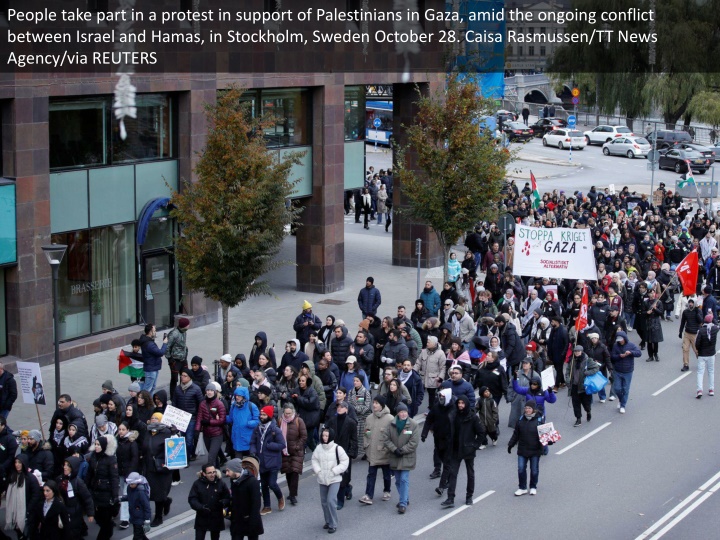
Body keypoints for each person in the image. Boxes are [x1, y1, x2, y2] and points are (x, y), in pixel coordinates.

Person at [440, 395, 485, 508]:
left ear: (466, 404)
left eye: (462, 403)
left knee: (470, 474)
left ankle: (469, 496)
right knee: (453, 474)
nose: (460, 405)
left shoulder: (473, 417)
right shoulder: (454, 415)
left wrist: (474, 445)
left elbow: (481, 433)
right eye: (459, 403)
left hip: (468, 449)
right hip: (455, 449)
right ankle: (450, 498)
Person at [382, 402, 420, 514]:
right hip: (395, 456)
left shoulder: (413, 424)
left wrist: (402, 450)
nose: (403, 414)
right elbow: (386, 439)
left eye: (405, 412)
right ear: (397, 413)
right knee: (398, 481)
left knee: (404, 479)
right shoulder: (391, 424)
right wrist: (394, 449)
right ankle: (405, 498)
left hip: (407, 456)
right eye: (401, 412)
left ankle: (402, 503)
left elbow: (414, 442)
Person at [249, 406, 286, 516]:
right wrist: (253, 452)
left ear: (269, 416)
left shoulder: (275, 430)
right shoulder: (257, 428)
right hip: (261, 461)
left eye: (264, 415)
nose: (262, 417)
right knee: (264, 484)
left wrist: (270, 445)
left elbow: (282, 445)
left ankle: (280, 497)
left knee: (272, 483)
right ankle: (267, 506)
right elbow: (252, 442)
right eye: (261, 415)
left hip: (273, 461)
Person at [311, 427, 349, 534]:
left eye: (327, 435)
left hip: (334, 479)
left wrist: (335, 471)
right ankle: (327, 521)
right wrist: (318, 471)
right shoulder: (319, 448)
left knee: (331, 501)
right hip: (322, 478)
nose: (325, 437)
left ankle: (333, 524)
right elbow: (314, 459)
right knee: (324, 502)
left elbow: (345, 461)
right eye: (323, 435)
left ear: (331, 436)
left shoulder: (338, 448)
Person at [358, 396, 393, 505]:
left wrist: (390, 449)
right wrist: (366, 444)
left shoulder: (390, 419)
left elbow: (393, 436)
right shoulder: (369, 418)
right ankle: (368, 495)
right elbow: (366, 432)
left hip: (384, 452)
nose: (374, 405)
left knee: (386, 475)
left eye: (377, 403)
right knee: (371, 474)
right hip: (372, 452)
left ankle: (387, 491)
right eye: (373, 403)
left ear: (382, 405)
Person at [325, 401, 358, 509]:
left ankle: (340, 500)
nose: (339, 408)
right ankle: (348, 489)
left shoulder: (351, 423)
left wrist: (351, 453)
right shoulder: (332, 421)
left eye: (342, 407)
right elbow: (326, 436)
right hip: (333, 453)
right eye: (338, 407)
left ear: (346, 410)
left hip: (345, 454)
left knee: (344, 477)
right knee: (335, 476)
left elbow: (354, 440)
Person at [507, 400, 544, 496]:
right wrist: (511, 444)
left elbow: (545, 435)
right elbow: (516, 434)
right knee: (521, 468)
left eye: (529, 408)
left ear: (533, 410)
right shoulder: (520, 420)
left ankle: (533, 487)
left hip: (535, 449)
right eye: (526, 408)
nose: (527, 410)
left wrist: (548, 442)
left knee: (534, 469)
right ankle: (522, 487)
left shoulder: (539, 420)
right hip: (522, 449)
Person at [87, 435, 119, 540]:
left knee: (105, 519)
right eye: (95, 444)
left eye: (98, 445)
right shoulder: (93, 457)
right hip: (95, 491)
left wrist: (115, 496)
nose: (96, 446)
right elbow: (90, 473)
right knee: (98, 517)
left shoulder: (110, 459)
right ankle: (108, 528)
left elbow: (114, 478)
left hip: (106, 492)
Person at [143, 416, 173, 527]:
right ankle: (166, 501)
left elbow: (175, 447)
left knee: (159, 493)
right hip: (150, 468)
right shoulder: (148, 432)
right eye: (152, 417)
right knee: (153, 493)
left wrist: (175, 434)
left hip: (162, 468)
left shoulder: (167, 433)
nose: (154, 419)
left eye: (157, 418)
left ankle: (158, 517)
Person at [224, 456, 264, 540]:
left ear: (235, 470)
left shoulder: (252, 482)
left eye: (228, 470)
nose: (226, 474)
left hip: (250, 520)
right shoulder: (234, 480)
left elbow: (256, 504)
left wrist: (253, 522)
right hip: (237, 521)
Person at [188, 464, 231, 540]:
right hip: (202, 516)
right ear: (204, 474)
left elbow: (227, 497)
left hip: (216, 516)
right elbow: (192, 499)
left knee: (215, 537)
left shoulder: (221, 483)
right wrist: (200, 507)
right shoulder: (197, 484)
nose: (212, 475)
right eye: (209, 473)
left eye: (214, 472)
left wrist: (223, 503)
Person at [5, 455, 42, 540]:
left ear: (24, 463)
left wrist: (28, 509)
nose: (17, 464)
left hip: (28, 513)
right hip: (15, 511)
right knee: (19, 534)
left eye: (19, 462)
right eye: (16, 462)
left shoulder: (30, 478)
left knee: (29, 534)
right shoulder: (12, 476)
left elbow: (36, 495)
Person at [57, 456, 94, 539]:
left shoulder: (78, 482)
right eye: (64, 465)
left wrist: (90, 513)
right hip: (63, 512)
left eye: (68, 465)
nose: (65, 467)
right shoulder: (60, 479)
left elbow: (87, 498)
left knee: (74, 534)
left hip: (75, 513)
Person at [279, 404, 307, 506]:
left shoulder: (299, 421)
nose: (287, 415)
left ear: (293, 412)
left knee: (294, 472)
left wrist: (297, 446)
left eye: (289, 413)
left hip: (296, 451)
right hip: (284, 451)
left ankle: (293, 495)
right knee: (288, 472)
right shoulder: (280, 421)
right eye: (286, 413)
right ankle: (291, 492)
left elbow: (303, 436)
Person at [565, 345, 600, 427]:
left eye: (578, 351)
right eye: (575, 351)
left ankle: (588, 411)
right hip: (574, 385)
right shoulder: (572, 360)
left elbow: (596, 368)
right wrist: (567, 379)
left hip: (584, 386)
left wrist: (587, 373)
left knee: (586, 403)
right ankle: (578, 419)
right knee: (575, 403)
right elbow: (568, 371)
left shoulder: (588, 360)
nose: (576, 353)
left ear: (582, 351)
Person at [173, 368, 203, 460]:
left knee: (189, 440)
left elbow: (201, 404)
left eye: (185, 376)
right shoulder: (178, 389)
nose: (182, 377)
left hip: (191, 418)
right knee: (182, 438)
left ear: (190, 378)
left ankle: (188, 456)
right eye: (181, 375)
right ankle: (189, 455)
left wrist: (199, 418)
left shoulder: (196, 389)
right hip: (180, 418)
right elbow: (174, 402)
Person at [196, 382, 227, 467]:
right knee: (214, 457)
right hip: (206, 434)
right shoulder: (202, 404)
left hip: (217, 434)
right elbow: (199, 417)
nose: (209, 392)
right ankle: (216, 474)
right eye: (208, 390)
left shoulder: (219, 404)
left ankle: (210, 474)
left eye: (211, 390)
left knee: (211, 457)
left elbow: (222, 420)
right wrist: (197, 430)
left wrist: (209, 422)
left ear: (215, 392)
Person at [610, 331, 641, 414]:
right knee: (617, 388)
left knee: (625, 389)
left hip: (628, 371)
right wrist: (619, 356)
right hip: (618, 370)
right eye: (618, 340)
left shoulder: (631, 345)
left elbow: (639, 353)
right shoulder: (615, 346)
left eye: (621, 339)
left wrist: (631, 352)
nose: (620, 341)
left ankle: (623, 405)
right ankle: (620, 399)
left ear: (624, 338)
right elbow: (612, 357)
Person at [226, 387, 260, 458]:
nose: (237, 397)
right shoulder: (234, 406)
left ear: (244, 396)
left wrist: (248, 423)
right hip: (237, 437)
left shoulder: (252, 406)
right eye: (236, 395)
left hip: (248, 438)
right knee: (238, 461)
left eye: (239, 395)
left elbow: (258, 421)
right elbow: (230, 418)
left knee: (250, 461)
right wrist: (221, 417)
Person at [165, 317, 190, 400]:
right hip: (175, 360)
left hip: (183, 358)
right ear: (184, 326)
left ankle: (184, 395)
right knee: (174, 379)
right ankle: (173, 397)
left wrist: (185, 352)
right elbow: (167, 347)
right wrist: (169, 358)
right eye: (187, 325)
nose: (189, 326)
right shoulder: (174, 334)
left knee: (185, 377)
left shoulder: (184, 332)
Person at [139, 324, 168, 394]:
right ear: (150, 332)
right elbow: (160, 352)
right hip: (151, 369)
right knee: (147, 390)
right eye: (154, 331)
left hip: (153, 367)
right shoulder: (149, 344)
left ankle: (150, 403)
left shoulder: (148, 341)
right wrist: (164, 343)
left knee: (152, 388)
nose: (155, 332)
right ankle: (145, 403)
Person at [122, 472, 152, 540]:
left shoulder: (141, 491)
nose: (130, 485)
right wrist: (122, 498)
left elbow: (146, 506)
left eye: (132, 484)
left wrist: (147, 520)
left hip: (140, 518)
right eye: (129, 484)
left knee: (137, 536)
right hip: (135, 516)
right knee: (140, 535)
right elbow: (130, 497)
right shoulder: (131, 488)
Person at [695, 314, 718, 398]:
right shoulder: (715, 329)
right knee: (711, 371)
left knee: (700, 372)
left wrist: (698, 350)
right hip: (711, 354)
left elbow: (697, 343)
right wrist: (713, 317)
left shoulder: (701, 331)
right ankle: (711, 389)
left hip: (702, 354)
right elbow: (717, 325)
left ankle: (699, 390)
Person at [679, 298, 703, 372]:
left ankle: (701, 363)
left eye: (692, 303)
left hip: (695, 333)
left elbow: (701, 321)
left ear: (695, 303)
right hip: (687, 333)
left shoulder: (698, 311)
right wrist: (680, 331)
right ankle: (686, 364)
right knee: (685, 349)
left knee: (696, 350)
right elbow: (683, 322)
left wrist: (697, 313)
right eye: (689, 302)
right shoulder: (686, 312)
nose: (690, 304)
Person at [644, 291, 664, 362]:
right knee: (649, 341)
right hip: (648, 322)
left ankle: (655, 354)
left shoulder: (658, 302)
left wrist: (655, 308)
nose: (652, 294)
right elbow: (642, 312)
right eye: (650, 293)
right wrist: (646, 312)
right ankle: (650, 356)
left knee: (655, 340)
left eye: (653, 293)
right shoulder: (646, 302)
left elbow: (661, 313)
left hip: (656, 322)